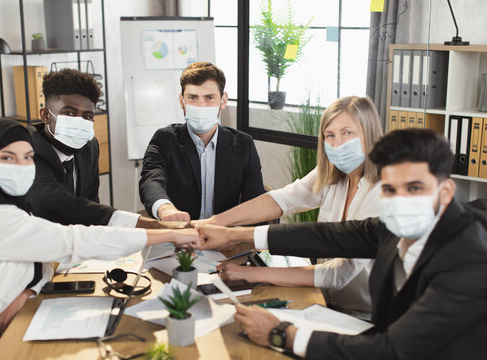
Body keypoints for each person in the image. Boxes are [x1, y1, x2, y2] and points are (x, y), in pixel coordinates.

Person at [195, 128, 487, 359]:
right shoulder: (396, 226)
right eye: (390, 189)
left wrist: (283, 333)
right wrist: (235, 234)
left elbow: (394, 351)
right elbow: (327, 236)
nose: (400, 201)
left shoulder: (468, 261)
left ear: (446, 191)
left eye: (414, 188)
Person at [0, 118, 198, 360]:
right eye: (7, 158)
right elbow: (74, 242)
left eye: (28, 157)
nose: (21, 167)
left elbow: (46, 260)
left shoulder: (6, 204)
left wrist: (27, 291)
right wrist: (170, 233)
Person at [197, 96, 383, 319]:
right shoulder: (335, 175)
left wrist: (252, 273)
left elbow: (338, 274)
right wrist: (215, 222)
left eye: (347, 133)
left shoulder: (382, 192)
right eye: (330, 135)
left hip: (367, 316)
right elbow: (284, 199)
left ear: (369, 134)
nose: (337, 144)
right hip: (327, 300)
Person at [25, 69, 163, 229]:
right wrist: (154, 226)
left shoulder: (89, 147)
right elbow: (64, 205)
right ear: (46, 115)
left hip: (81, 245)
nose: (79, 122)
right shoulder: (27, 152)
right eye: (69, 113)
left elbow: (91, 203)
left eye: (87, 116)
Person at [139, 62, 265, 222]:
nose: (201, 106)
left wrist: (238, 236)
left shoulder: (243, 144)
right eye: (192, 98)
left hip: (226, 237)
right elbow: (151, 181)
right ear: (181, 100)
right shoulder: (165, 139)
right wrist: (165, 209)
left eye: (209, 98)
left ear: (223, 100)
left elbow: (255, 200)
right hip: (180, 236)